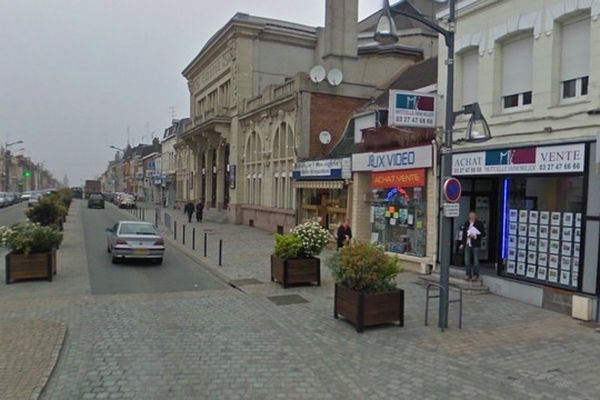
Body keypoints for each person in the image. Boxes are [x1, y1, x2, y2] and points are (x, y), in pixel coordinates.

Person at [459, 210, 486, 281]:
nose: (472, 217)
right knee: (467, 259)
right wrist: (462, 243)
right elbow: (464, 234)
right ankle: (468, 274)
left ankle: (475, 275)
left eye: (473, 216)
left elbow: (483, 234)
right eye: (470, 216)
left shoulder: (479, 224)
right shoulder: (466, 223)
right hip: (467, 243)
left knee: (475, 260)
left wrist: (476, 236)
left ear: (476, 216)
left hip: (475, 243)